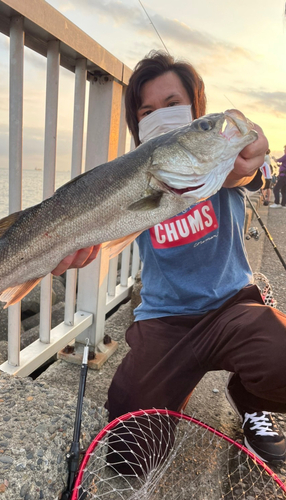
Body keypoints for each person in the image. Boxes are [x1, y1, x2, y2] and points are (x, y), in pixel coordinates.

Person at [53, 51, 286, 464]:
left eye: (174, 104)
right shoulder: (134, 175)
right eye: (147, 110)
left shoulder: (222, 159)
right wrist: (76, 243)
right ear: (138, 125)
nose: (161, 114)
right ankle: (173, 383)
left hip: (233, 306)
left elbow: (252, 168)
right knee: (128, 454)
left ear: (196, 110)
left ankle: (249, 397)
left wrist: (254, 152)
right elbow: (103, 227)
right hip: (164, 320)